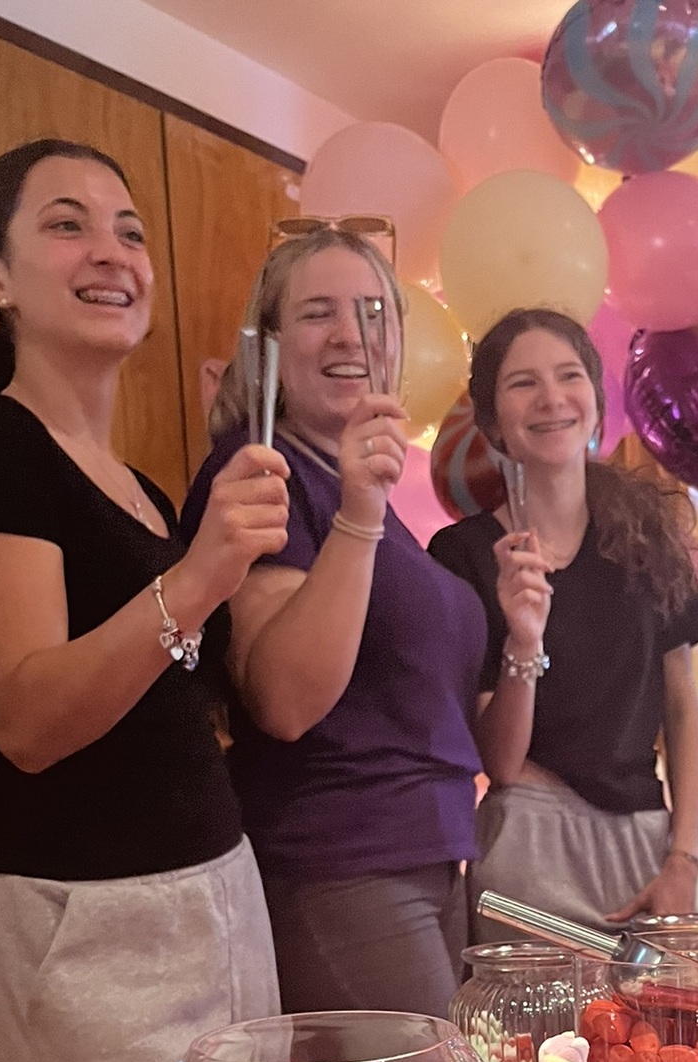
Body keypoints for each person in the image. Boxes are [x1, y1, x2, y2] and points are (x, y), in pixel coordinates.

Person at [0, 139, 289, 1062]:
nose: (112, 252)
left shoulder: (140, 487)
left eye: (129, 231)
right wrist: (198, 578)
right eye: (67, 225)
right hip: (88, 925)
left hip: (212, 886)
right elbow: (28, 717)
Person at [181, 227, 486, 1017]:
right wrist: (357, 513)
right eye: (318, 313)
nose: (351, 334)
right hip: (342, 860)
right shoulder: (261, 473)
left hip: (430, 853)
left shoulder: (373, 498)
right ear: (270, 347)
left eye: (375, 313)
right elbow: (283, 700)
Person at [428, 307, 698, 932]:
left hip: (645, 846)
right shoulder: (461, 556)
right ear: (491, 421)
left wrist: (685, 859)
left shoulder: (650, 537)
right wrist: (523, 638)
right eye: (522, 383)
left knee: (652, 1033)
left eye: (569, 376)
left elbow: (683, 706)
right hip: (527, 844)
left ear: (595, 397)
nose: (551, 398)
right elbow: (498, 763)